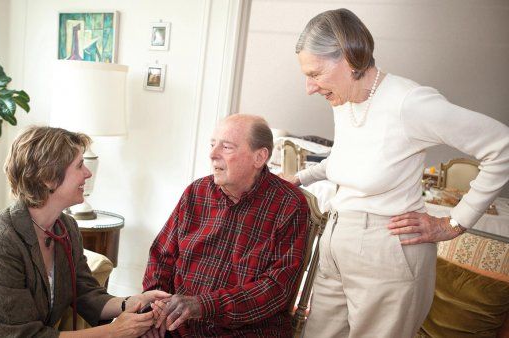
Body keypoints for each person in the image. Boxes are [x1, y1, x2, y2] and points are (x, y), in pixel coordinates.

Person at [287, 8, 509, 338]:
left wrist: (454, 222)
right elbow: (347, 159)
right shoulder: (345, 100)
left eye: (315, 74)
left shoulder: (410, 102)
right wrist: (300, 178)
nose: (309, 87)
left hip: (386, 253)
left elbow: (501, 146)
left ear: (349, 58)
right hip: (337, 240)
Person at [0, 126, 170, 337]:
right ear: (47, 178)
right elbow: (21, 336)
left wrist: (131, 303)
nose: (88, 173)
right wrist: (112, 333)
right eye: (79, 165)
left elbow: (85, 292)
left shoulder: (65, 227)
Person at [142, 114, 309, 337]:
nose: (212, 154)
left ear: (259, 157)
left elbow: (276, 289)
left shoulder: (289, 204)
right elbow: (162, 256)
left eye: (227, 147)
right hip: (178, 327)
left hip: (246, 332)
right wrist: (155, 309)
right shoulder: (197, 192)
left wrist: (203, 305)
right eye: (213, 144)